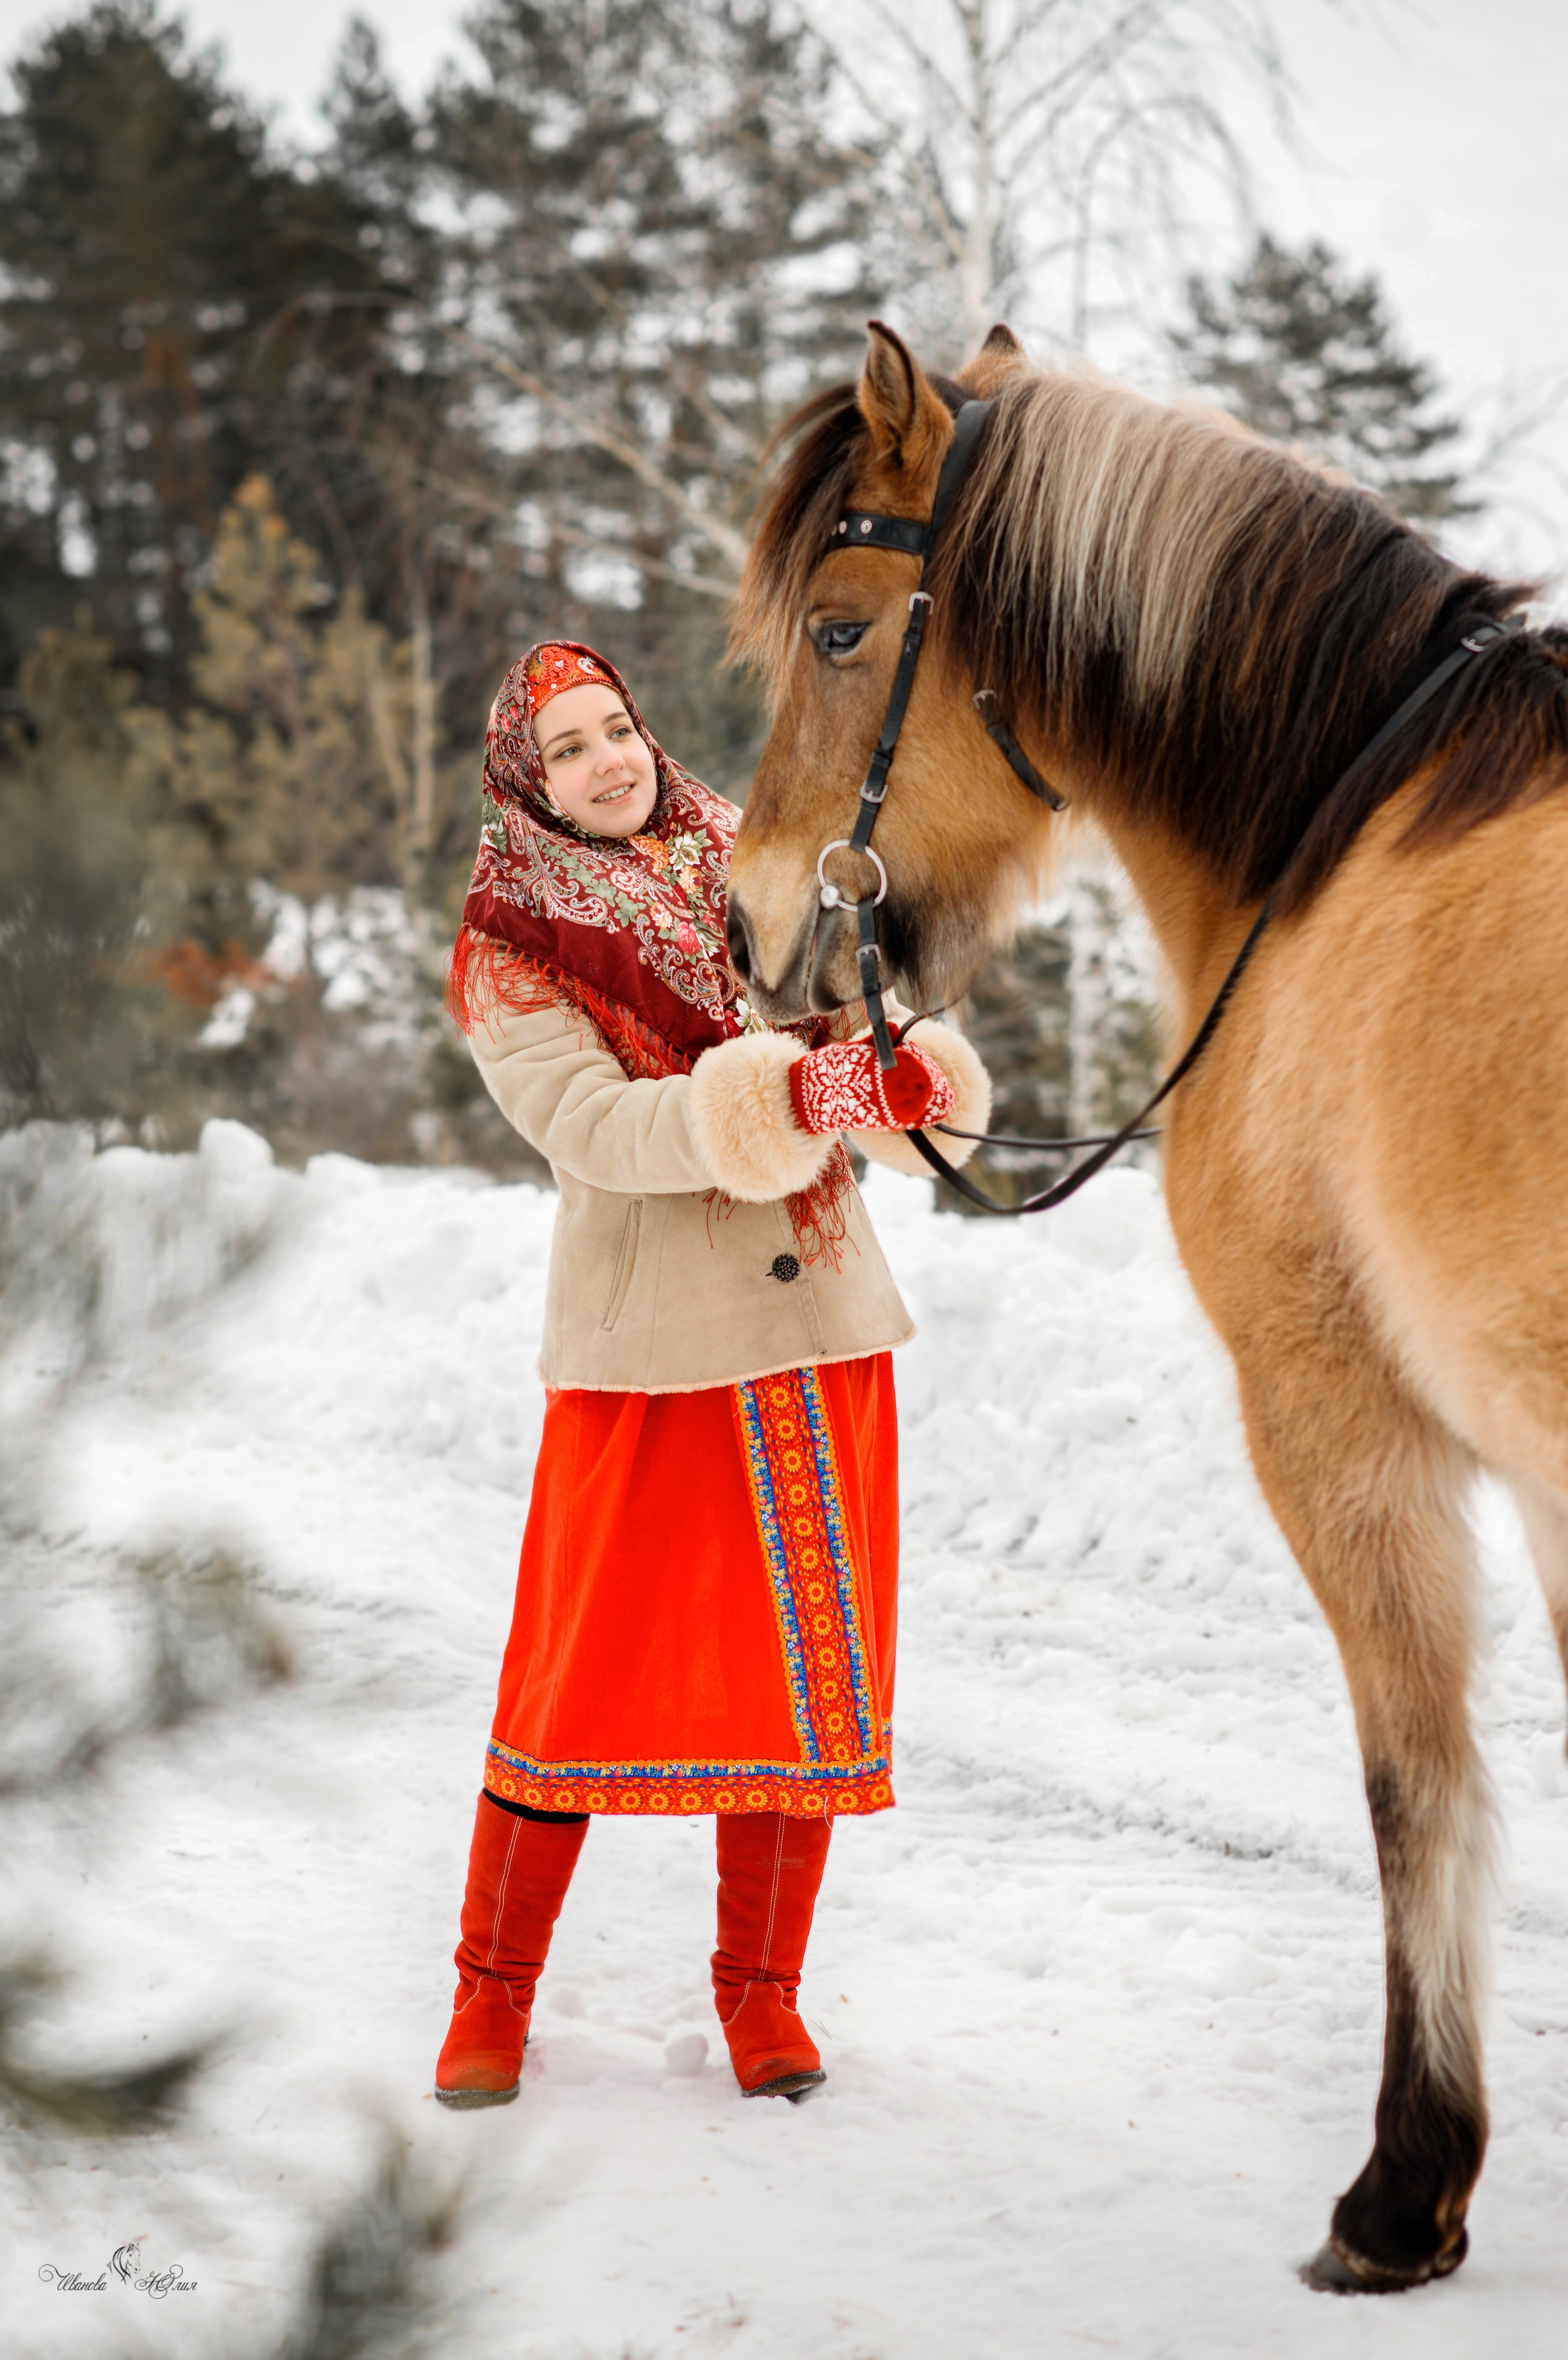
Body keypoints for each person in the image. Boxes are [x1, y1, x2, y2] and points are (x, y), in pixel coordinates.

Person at [434, 640, 990, 2109]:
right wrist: (789, 1094)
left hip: (817, 1332)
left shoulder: (747, 863)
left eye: (616, 728)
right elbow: (599, 1132)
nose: (608, 761)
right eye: (566, 749)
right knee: (573, 1681)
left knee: (801, 1685)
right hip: (652, 1359)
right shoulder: (507, 944)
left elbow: (836, 1016)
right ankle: (489, 1997)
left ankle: (761, 1996)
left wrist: (886, 1073)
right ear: (522, 780)